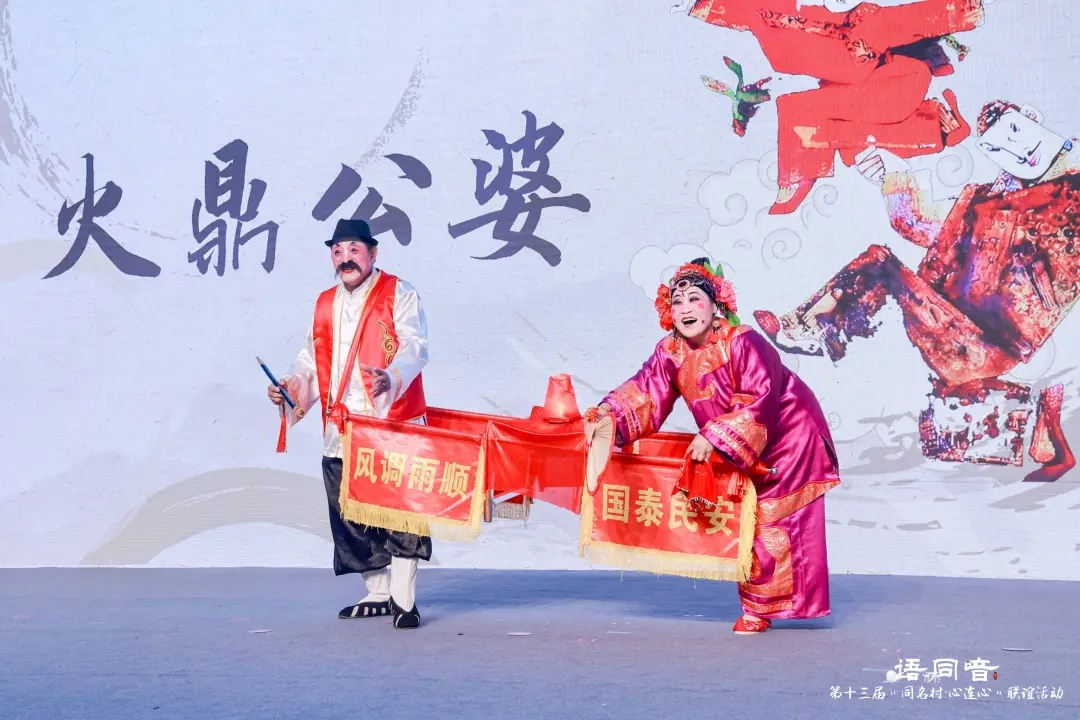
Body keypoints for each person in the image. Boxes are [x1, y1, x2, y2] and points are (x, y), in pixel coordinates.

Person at [588, 258, 840, 634]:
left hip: (788, 434)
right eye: (677, 302)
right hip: (739, 439)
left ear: (715, 305)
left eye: (695, 299)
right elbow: (646, 391)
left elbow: (759, 397)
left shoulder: (743, 341)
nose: (686, 309)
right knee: (746, 516)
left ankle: (763, 610)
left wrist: (714, 435)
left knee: (772, 519)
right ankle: (759, 607)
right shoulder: (670, 351)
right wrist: (608, 413)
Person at [268, 218, 431, 629]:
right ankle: (377, 590)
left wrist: (391, 377)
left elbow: (414, 347)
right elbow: (310, 361)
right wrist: (289, 388)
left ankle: (404, 599)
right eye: (338, 251)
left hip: (391, 421)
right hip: (341, 426)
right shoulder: (325, 303)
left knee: (400, 510)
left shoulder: (399, 292)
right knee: (349, 511)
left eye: (354, 250)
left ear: (373, 253)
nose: (345, 259)